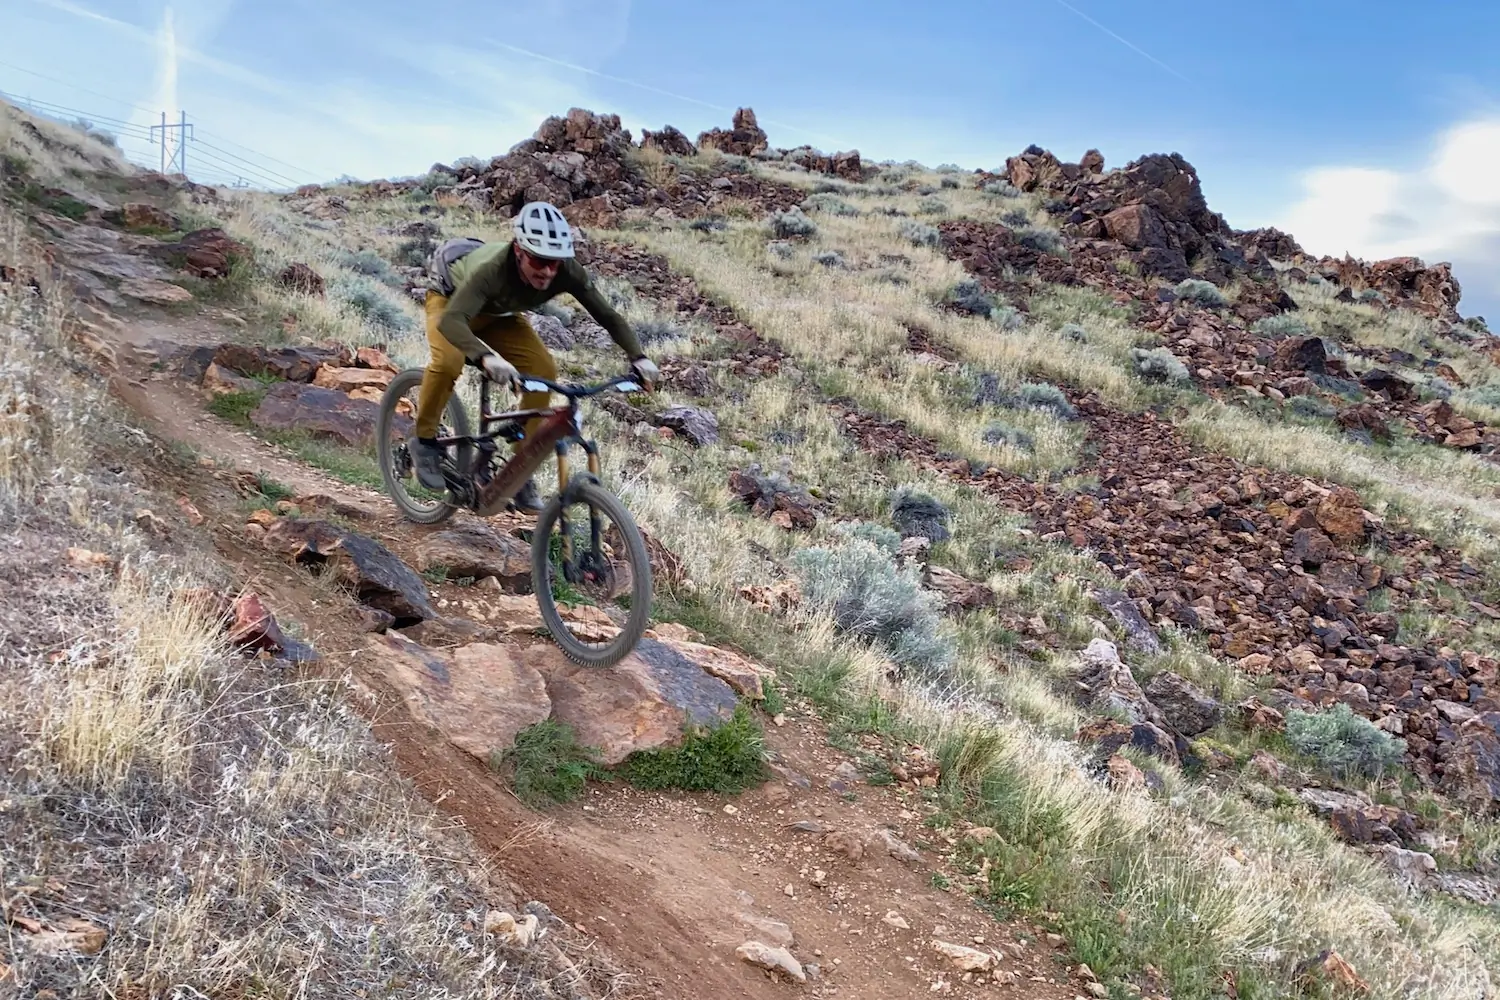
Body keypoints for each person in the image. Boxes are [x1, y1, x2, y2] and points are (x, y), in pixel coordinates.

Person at [412, 201, 659, 510]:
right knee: (449, 362)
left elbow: (607, 315)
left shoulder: (565, 271)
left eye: (554, 263)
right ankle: (423, 441)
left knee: (542, 370)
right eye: (539, 261)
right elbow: (451, 322)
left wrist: (638, 356)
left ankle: (520, 467)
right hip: (451, 303)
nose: (547, 272)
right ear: (519, 250)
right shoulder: (492, 271)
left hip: (499, 313)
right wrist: (485, 356)